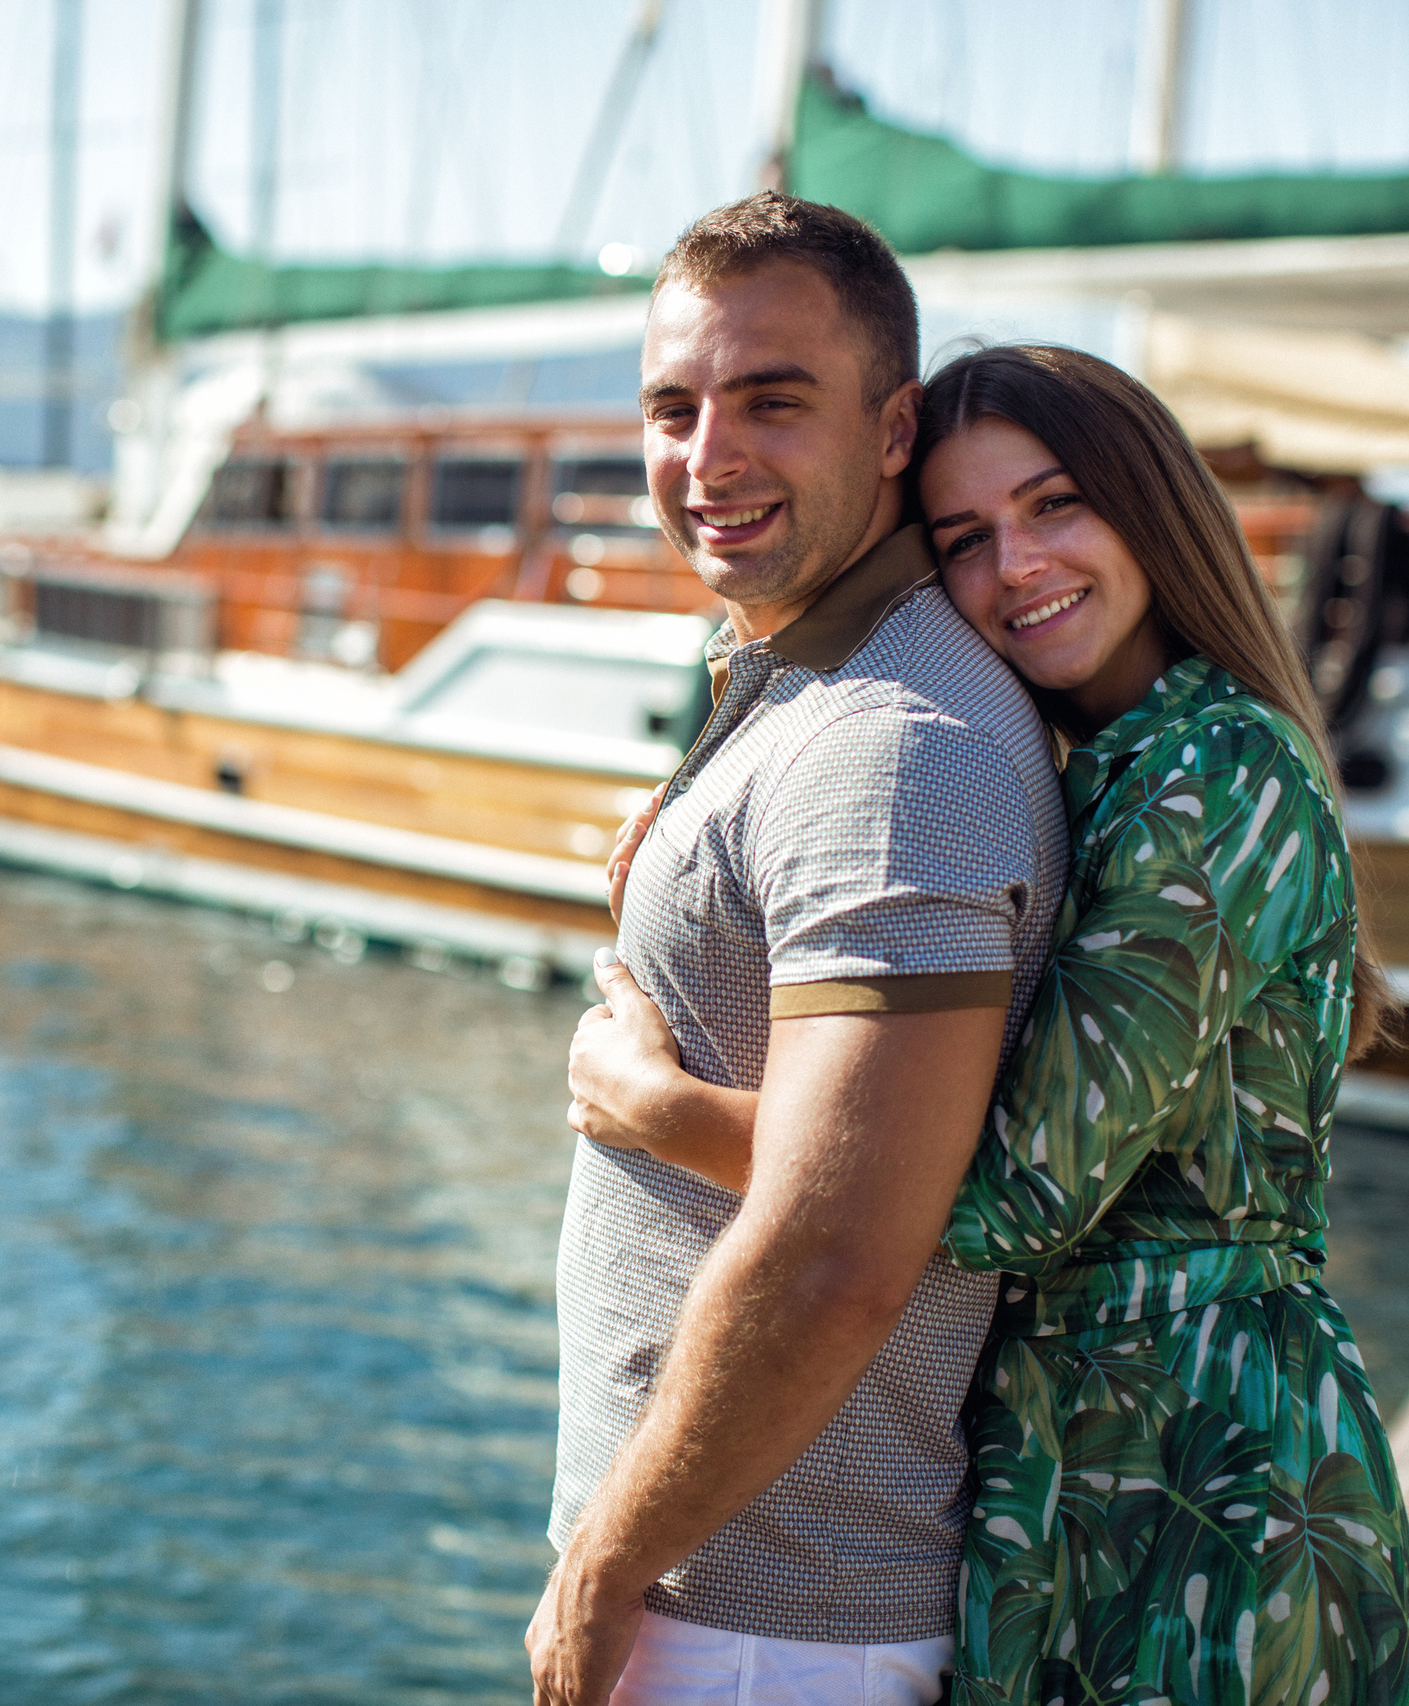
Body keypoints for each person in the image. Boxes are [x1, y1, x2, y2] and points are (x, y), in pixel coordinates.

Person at [571, 341, 1409, 1705]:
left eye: (1055, 505)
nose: (1014, 565)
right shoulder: (1104, 760)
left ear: (1151, 506)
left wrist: (655, 1104)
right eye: (964, 536)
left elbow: (1009, 1194)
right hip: (1080, 1456)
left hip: (1203, 1474)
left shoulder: (1212, 772)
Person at [528, 195, 1070, 1706]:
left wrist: (608, 1569)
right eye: (674, 406)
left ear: (895, 428)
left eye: (773, 401)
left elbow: (842, 1248)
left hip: (761, 1621)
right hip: (729, 1593)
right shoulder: (802, 682)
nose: (709, 457)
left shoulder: (891, 744)